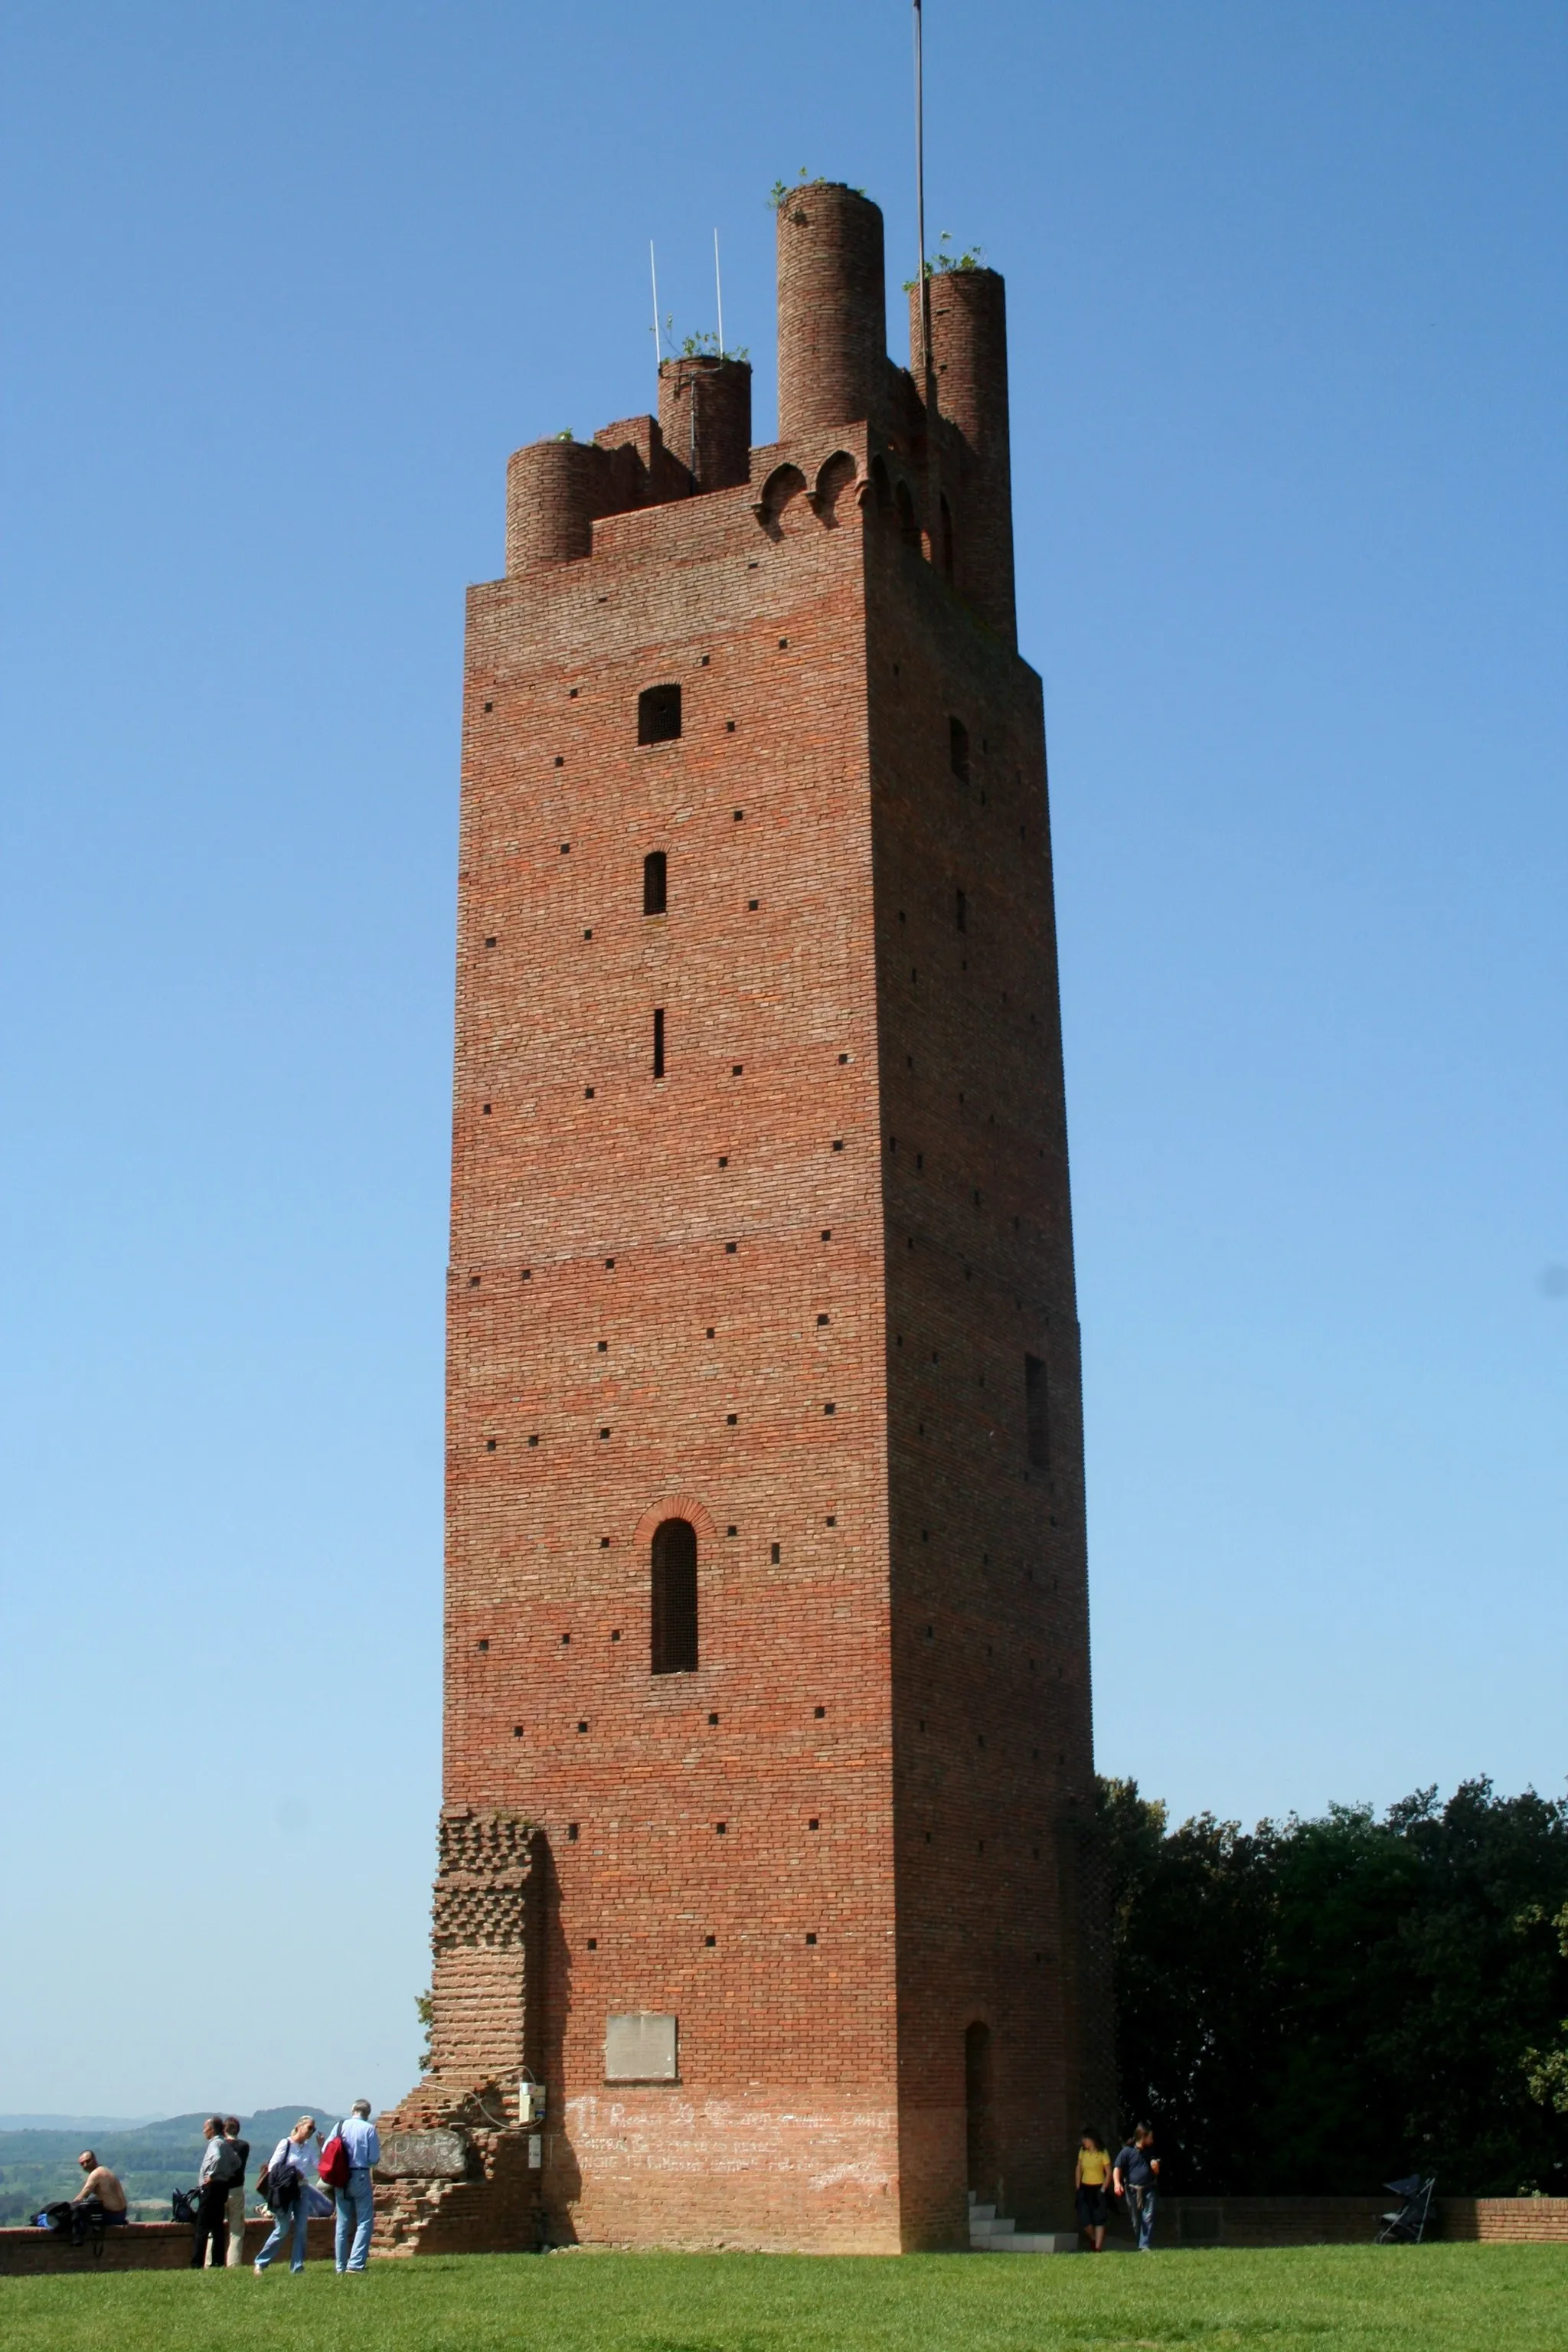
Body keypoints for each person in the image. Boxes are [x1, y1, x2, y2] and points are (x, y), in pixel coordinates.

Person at [254, 2116, 320, 2274]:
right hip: (285, 2190)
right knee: (282, 2229)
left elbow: (319, 2166)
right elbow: (273, 2167)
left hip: (302, 2189)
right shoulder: (286, 2144)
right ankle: (261, 2262)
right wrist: (293, 2173)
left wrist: (321, 2146)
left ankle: (297, 2266)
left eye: (313, 2129)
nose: (312, 2131)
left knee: (301, 2229)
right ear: (299, 2127)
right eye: (310, 2127)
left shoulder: (307, 2148)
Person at [331, 2099, 381, 2272]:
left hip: (341, 2176)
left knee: (342, 2223)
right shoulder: (369, 2129)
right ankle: (356, 2263)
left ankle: (340, 2266)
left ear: (353, 2110)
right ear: (367, 2113)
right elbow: (373, 2159)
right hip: (360, 2174)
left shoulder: (339, 2126)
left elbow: (326, 2151)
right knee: (364, 2221)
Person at [192, 2113, 241, 2268]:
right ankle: (218, 2261)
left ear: (212, 2130)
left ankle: (197, 2263)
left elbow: (217, 2158)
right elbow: (237, 2162)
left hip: (211, 2188)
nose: (204, 2132)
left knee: (202, 2226)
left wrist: (211, 2175)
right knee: (217, 2226)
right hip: (223, 2188)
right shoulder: (225, 2143)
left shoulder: (215, 2144)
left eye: (205, 2128)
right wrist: (226, 2173)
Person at [1113, 2122, 1161, 2252]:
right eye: (1150, 2137)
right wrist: (1117, 2184)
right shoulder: (1127, 2152)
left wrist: (1156, 2169)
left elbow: (1156, 2171)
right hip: (1132, 2190)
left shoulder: (1151, 2151)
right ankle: (1141, 2243)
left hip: (1149, 2188)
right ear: (1143, 2137)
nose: (1152, 2140)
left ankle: (1144, 2245)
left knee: (1148, 2216)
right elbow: (1117, 2168)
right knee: (1136, 2219)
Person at [211, 2116, 249, 2268]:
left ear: (224, 2130)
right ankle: (233, 2263)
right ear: (237, 2130)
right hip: (237, 2189)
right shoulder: (244, 2146)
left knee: (214, 2228)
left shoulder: (218, 2145)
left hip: (219, 2188)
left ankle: (210, 2261)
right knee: (236, 2230)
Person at [1073, 2128, 1112, 2251]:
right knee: (1085, 2219)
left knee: (1099, 2218)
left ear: (1092, 2139)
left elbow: (1109, 2173)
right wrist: (1078, 2186)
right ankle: (1094, 2237)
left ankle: (1098, 2248)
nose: (1083, 2141)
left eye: (1085, 2139)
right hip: (1085, 2188)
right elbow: (1079, 2168)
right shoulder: (1082, 2152)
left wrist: (1103, 2190)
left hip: (1098, 2188)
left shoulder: (1102, 2153)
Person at [72, 2151, 129, 2223]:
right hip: (122, 2213)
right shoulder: (105, 2170)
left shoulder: (95, 2174)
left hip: (113, 2215)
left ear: (94, 2160)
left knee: (78, 2212)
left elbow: (82, 2197)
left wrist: (70, 2208)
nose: (85, 2165)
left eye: (88, 2161)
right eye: (82, 2164)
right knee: (92, 2200)